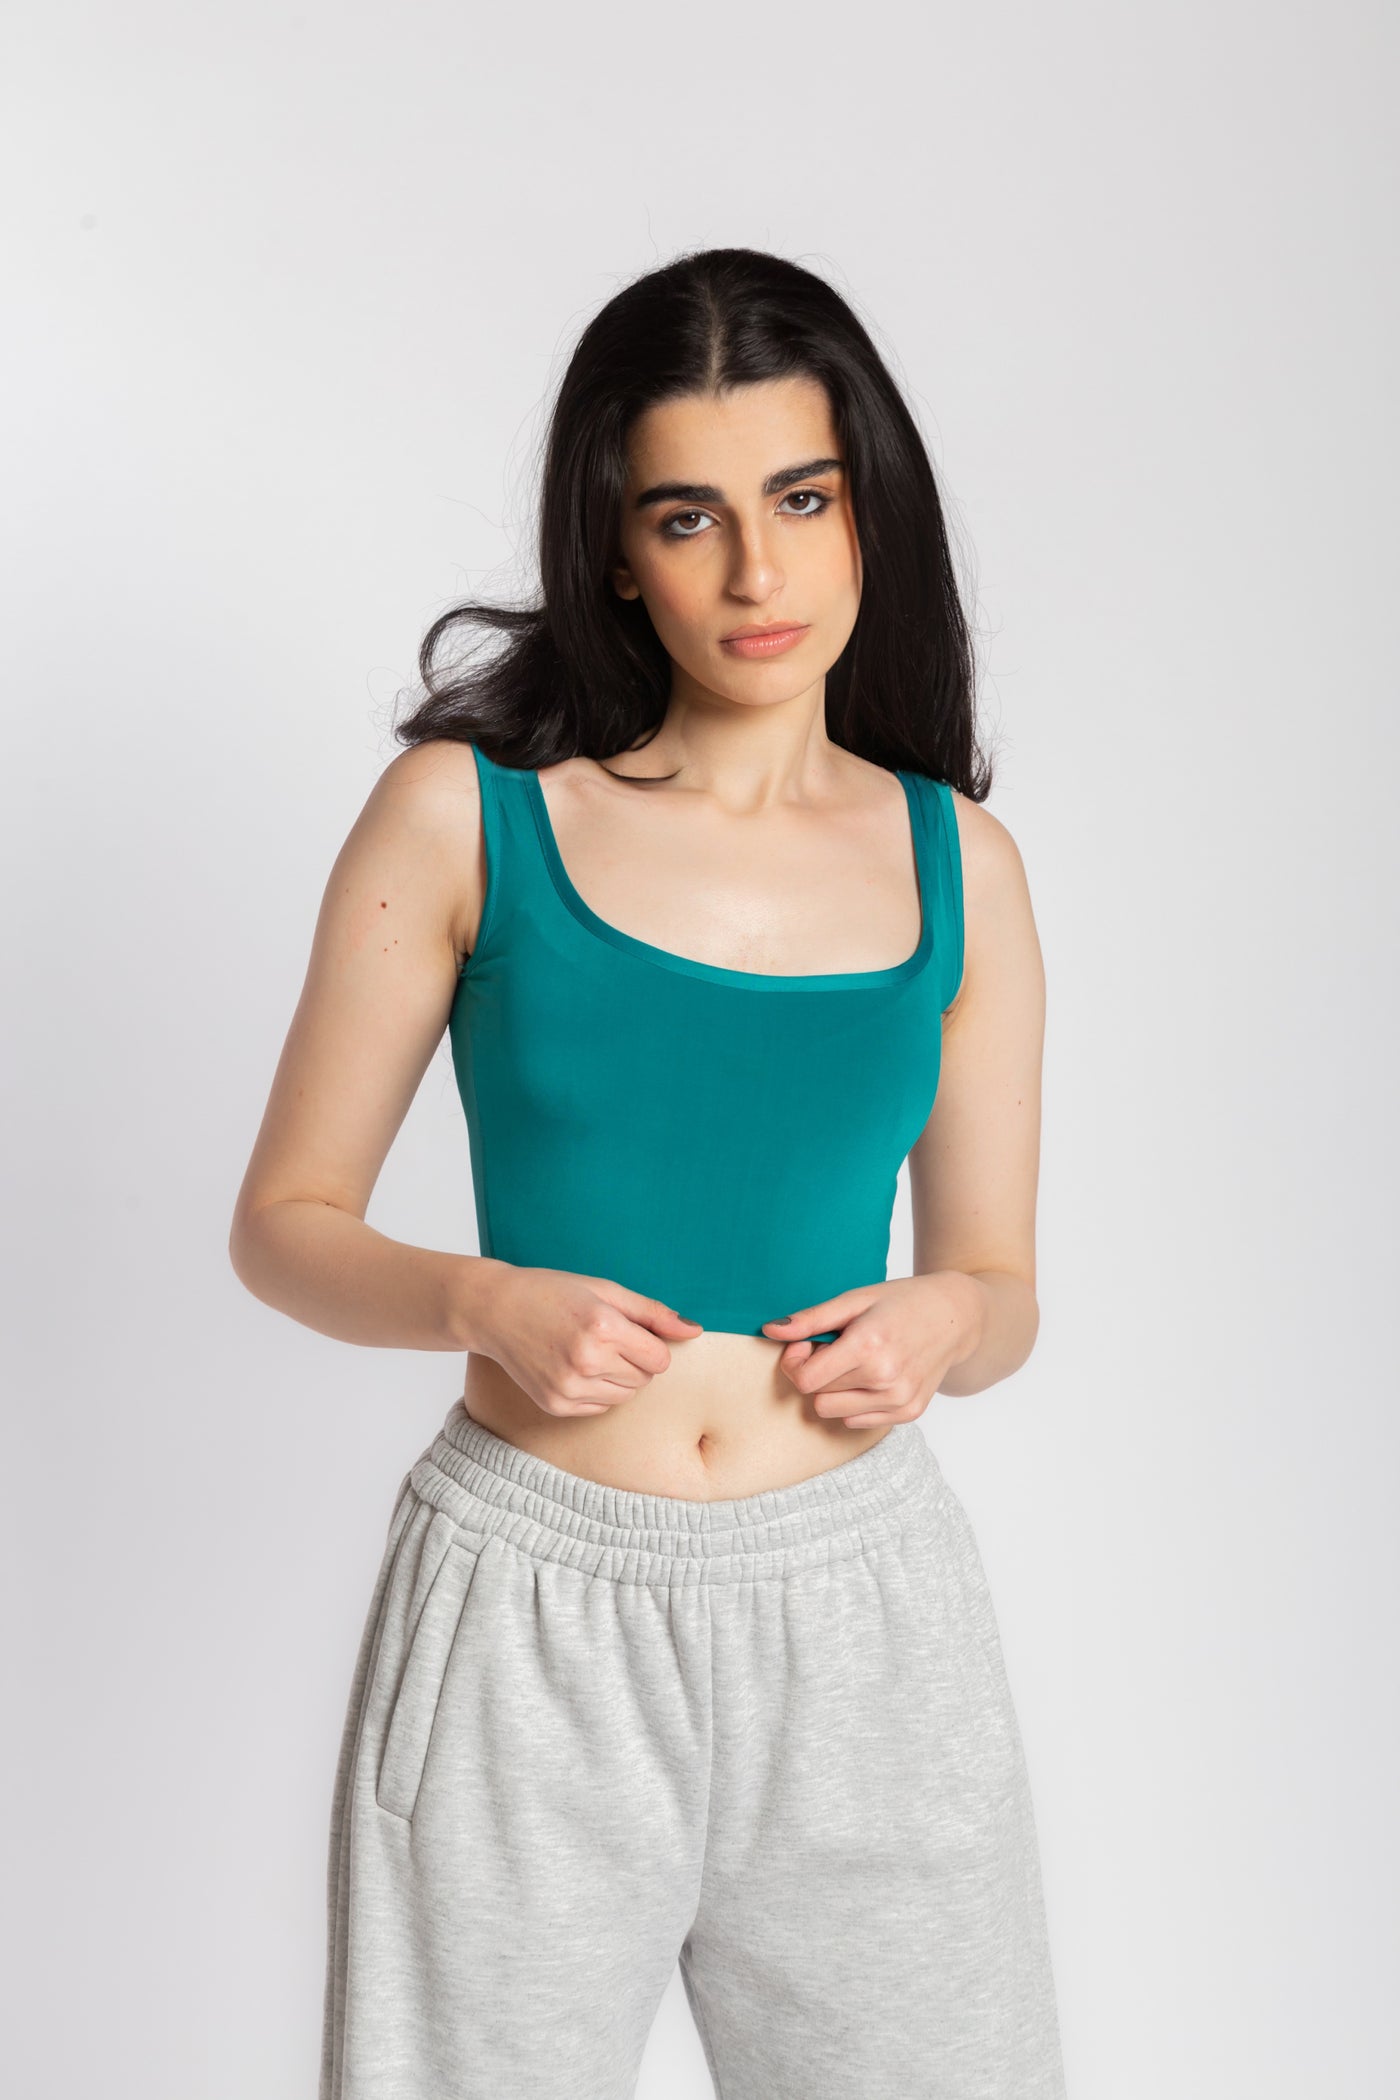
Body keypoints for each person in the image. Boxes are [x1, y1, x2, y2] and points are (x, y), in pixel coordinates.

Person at [229, 245, 1068, 2100]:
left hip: (863, 1609)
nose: (757, 574)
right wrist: (480, 1302)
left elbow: (1001, 1286)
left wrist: (943, 1319)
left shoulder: (964, 867)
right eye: (689, 517)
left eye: (802, 500)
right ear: (617, 551)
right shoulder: (466, 819)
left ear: (872, 513)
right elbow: (281, 1229)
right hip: (531, 1607)